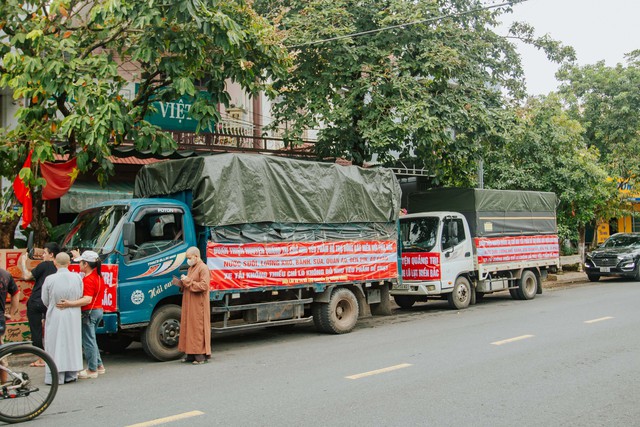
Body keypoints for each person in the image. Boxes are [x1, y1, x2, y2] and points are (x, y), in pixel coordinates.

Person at [57, 250, 106, 379]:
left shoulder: (89, 279)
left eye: (80, 263)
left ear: (86, 264)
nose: (78, 265)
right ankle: (98, 365)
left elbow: (87, 299)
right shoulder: (98, 276)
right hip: (98, 310)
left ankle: (92, 369)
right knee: (92, 340)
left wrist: (69, 303)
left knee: (88, 341)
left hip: (89, 312)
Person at [41, 253, 83, 385]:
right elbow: (80, 294)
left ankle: (56, 375)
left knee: (55, 344)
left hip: (56, 314)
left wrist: (54, 305)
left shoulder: (50, 279)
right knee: (72, 342)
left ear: (55, 263)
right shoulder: (77, 277)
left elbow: (45, 300)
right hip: (73, 314)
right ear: (69, 263)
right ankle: (71, 374)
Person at [21, 242, 60, 365]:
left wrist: (23, 261)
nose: (43, 255)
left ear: (51, 254)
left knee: (36, 331)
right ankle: (52, 356)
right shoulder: (60, 267)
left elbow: (27, 276)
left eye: (45, 253)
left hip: (37, 302)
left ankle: (41, 358)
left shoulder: (44, 265)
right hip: (52, 303)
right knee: (51, 330)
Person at [174, 246, 211, 364]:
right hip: (189, 301)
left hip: (198, 303)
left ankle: (200, 356)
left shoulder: (203, 268)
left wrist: (188, 281)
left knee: (197, 327)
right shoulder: (191, 267)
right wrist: (182, 282)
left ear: (196, 256)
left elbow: (204, 286)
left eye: (189, 258)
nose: (188, 260)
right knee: (188, 326)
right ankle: (190, 354)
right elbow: (190, 283)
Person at [0, 268, 20, 384]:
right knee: (1, 354)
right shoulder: (5, 274)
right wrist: (11, 313)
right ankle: (3, 385)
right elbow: (16, 293)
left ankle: (3, 387)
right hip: (1, 319)